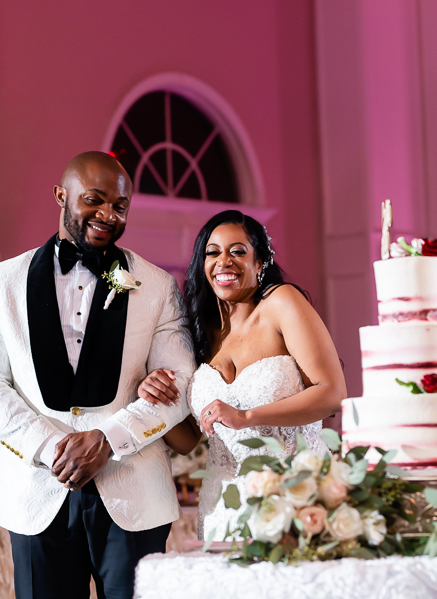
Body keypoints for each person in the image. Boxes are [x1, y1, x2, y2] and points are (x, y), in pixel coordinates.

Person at [0, 151, 196, 599]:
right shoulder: (1, 282)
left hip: (134, 495)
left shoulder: (158, 285)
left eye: (120, 206)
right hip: (35, 493)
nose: (108, 214)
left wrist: (109, 438)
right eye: (94, 199)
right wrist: (50, 447)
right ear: (61, 195)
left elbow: (180, 380)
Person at [140, 210, 346, 541]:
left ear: (260, 262)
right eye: (213, 252)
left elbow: (332, 392)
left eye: (237, 251)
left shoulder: (281, 303)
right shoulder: (199, 332)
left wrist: (246, 416)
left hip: (295, 491)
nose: (224, 261)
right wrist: (151, 394)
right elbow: (188, 439)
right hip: (222, 506)